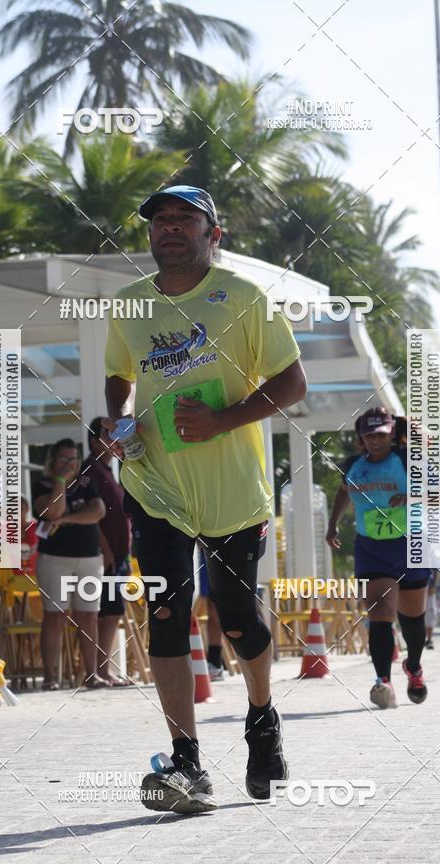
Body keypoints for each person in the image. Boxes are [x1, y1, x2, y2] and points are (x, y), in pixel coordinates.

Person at [103, 184, 306, 814]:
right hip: (155, 487)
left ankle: (262, 715)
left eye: (184, 220)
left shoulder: (244, 299)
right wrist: (119, 421)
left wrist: (225, 421)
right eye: (160, 220)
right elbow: (119, 377)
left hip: (232, 490)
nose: (169, 228)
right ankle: (186, 760)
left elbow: (293, 382)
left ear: (212, 235)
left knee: (237, 616)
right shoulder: (129, 304)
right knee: (166, 613)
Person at [326, 408, 436, 709]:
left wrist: (410, 498)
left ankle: (413, 666)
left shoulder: (406, 460)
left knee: (413, 622)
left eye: (381, 434)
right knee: (380, 615)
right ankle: (383, 682)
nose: (375, 440)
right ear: (360, 438)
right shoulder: (353, 465)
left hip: (411, 546)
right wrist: (333, 523)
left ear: (391, 433)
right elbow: (343, 492)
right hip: (371, 549)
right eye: (369, 435)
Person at [32, 438, 109, 691]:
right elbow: (51, 512)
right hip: (55, 559)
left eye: (74, 458)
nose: (70, 463)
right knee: (55, 616)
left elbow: (97, 512)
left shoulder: (87, 483)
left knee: (88, 616)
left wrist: (66, 520)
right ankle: (50, 676)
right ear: (53, 460)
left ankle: (92, 674)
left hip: (89, 559)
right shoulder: (42, 484)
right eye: (64, 458)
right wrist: (61, 483)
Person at [83, 417, 133, 686]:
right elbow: (93, 517)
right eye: (108, 436)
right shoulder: (91, 470)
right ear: (94, 441)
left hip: (119, 551)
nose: (115, 441)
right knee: (106, 611)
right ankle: (101, 669)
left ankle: (105, 667)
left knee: (112, 611)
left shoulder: (108, 469)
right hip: (107, 553)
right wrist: (105, 549)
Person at [197, 548, 224, 682]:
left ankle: (258, 656)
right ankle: (215, 662)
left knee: (245, 610)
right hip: (205, 552)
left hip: (233, 549)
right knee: (211, 609)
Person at [16, 496, 39, 577]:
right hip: (13, 575)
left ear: (28, 509)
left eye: (21, 509)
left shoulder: (35, 526)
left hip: (34, 573)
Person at [425, 570, 439, 649]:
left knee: (430, 616)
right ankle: (413, 641)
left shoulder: (432, 558)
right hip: (415, 588)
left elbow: (436, 572)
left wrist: (433, 586)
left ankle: (429, 640)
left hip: (429, 591)